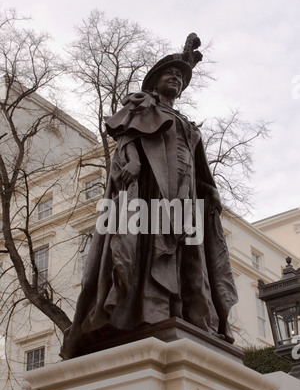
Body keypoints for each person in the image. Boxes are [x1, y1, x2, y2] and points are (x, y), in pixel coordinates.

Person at [61, 33, 238, 360]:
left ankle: (184, 313)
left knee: (187, 255)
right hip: (149, 189)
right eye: (170, 73)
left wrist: (209, 192)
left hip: (183, 195)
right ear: (155, 80)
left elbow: (198, 167)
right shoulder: (142, 105)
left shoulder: (186, 123)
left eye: (181, 78)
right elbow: (127, 137)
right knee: (145, 247)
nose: (176, 79)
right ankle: (146, 312)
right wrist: (132, 160)